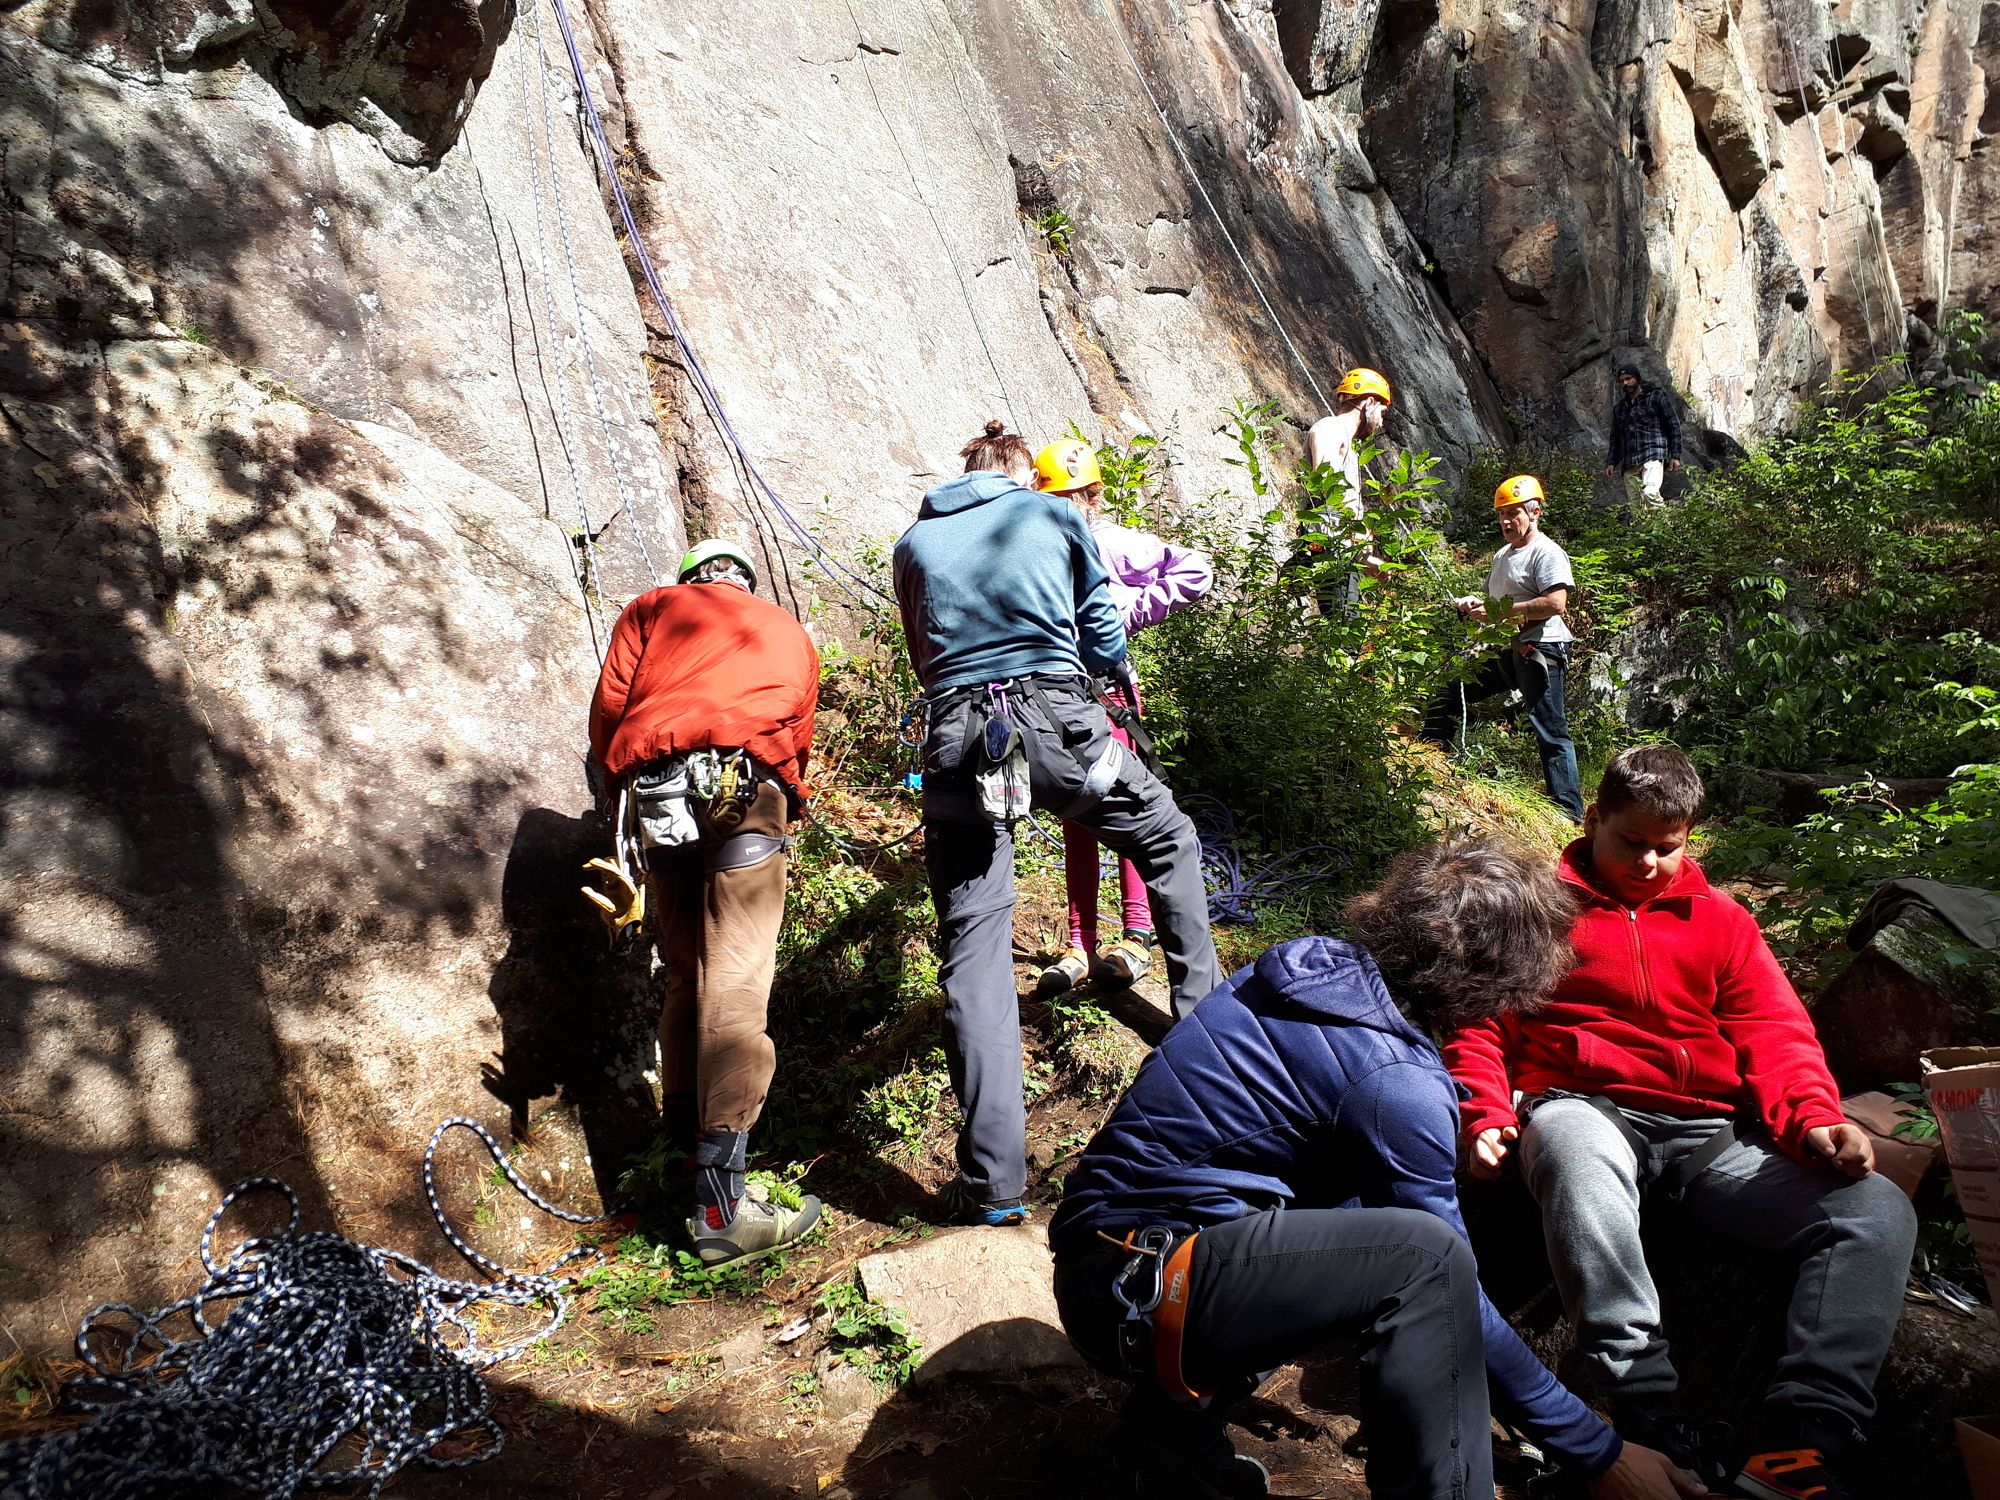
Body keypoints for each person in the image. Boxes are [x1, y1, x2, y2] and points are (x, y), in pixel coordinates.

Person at [1049, 840, 1702, 1500]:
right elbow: (1452, 1292)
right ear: (1500, 981)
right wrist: (1595, 1449)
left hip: (1112, 1264)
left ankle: (1169, 1424)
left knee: (1368, 1219)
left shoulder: (1313, 969)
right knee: (1425, 1260)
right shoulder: (1396, 1080)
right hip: (1139, 1293)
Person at [1446, 747, 1918, 1500]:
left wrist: (1814, 1119)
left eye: (1668, 847)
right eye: (1631, 842)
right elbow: (1477, 1022)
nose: (1649, 864)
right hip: (1583, 1107)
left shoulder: (1724, 922)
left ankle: (1804, 1439)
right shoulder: (1535, 910)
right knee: (1574, 1150)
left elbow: (1776, 1031)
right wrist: (1485, 1112)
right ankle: (1642, 1407)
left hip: (1710, 1137)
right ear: (1593, 819)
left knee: (1873, 1209)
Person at [893, 420, 1222, 1228]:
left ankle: (992, 1183)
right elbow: (1102, 630)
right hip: (1059, 725)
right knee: (1168, 838)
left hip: (960, 740)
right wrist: (1093, 670)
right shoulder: (1054, 515)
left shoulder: (914, 545)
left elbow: (924, 657)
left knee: (975, 940)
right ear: (1018, 475)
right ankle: (1214, 1070)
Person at [588, 539, 823, 1267]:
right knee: (737, 977)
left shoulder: (652, 608)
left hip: (660, 797)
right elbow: (797, 734)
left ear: (692, 577)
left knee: (687, 973)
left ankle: (678, 1153)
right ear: (745, 582)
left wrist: (615, 791)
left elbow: (611, 710)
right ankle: (721, 1205)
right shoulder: (785, 628)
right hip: (745, 790)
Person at [1029, 437, 1215, 996]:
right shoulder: (1036, 545)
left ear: (1093, 496)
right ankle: (1079, 943)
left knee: (1132, 809)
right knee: (1077, 817)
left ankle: (1136, 936)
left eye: (1073, 497)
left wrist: (1127, 611)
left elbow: (1195, 570)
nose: (1066, 508)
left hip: (1106, 695)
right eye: (1056, 498)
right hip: (1057, 699)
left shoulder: (1111, 542)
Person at [1420, 473, 1585, 822]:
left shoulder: (1547, 552)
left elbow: (1555, 603)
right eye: (1501, 515)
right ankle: (1430, 766)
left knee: (1549, 728)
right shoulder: (1502, 555)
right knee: (1451, 692)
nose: (1506, 521)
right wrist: (1473, 603)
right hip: (1507, 648)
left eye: (1514, 513)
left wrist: (1497, 613)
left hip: (1541, 649)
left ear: (1535, 512)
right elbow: (1496, 602)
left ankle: (1568, 813)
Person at [1299, 367, 1392, 610]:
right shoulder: (1331, 428)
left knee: (1344, 624)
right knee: (1344, 626)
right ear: (1369, 403)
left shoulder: (1347, 444)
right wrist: (1356, 532)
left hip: (1337, 548)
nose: (1381, 422)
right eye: (1382, 412)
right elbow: (1326, 484)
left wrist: (1366, 558)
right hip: (1330, 547)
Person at [1605, 363, 1683, 504]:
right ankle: (1654, 520)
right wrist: (1611, 462)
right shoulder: (1619, 409)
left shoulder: (1656, 396)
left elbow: (1673, 425)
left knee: (1650, 493)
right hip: (1629, 462)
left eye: (1628, 378)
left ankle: (1664, 519)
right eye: (1621, 381)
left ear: (1637, 378)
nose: (1625, 383)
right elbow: (1615, 438)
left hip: (1652, 455)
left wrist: (1675, 456)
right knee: (1637, 508)